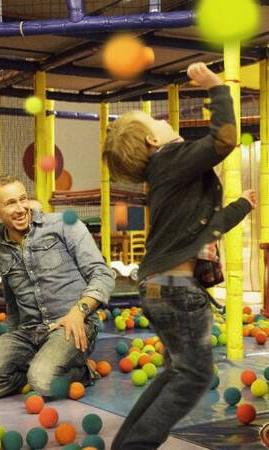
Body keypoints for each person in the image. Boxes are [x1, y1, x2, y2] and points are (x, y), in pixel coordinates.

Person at [103, 62, 257, 449]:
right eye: (155, 122)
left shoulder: (168, 175)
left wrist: (242, 205)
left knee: (177, 369)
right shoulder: (171, 160)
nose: (164, 121)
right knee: (194, 373)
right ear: (153, 144)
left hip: (157, 284)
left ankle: (126, 444)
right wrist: (217, 88)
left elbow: (207, 225)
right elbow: (224, 141)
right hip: (174, 285)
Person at [0, 175, 115, 399]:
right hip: (28, 332)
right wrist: (8, 353)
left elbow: (103, 273)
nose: (21, 208)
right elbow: (13, 305)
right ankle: (40, 369)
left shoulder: (64, 225)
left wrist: (79, 313)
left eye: (23, 199)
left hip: (72, 325)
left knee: (42, 380)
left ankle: (81, 371)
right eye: (10, 203)